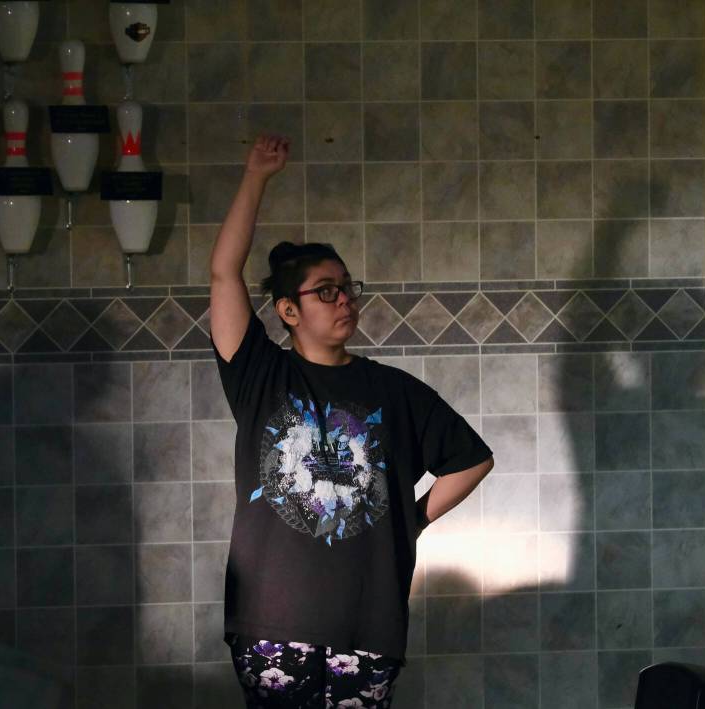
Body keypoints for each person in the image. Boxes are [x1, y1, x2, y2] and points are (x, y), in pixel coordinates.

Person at [209, 134, 496, 708]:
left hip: (369, 622)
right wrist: (256, 177)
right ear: (288, 310)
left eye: (347, 289)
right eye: (326, 291)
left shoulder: (395, 391)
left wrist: (411, 520)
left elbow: (472, 461)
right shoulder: (261, 374)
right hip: (272, 619)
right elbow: (223, 275)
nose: (344, 300)